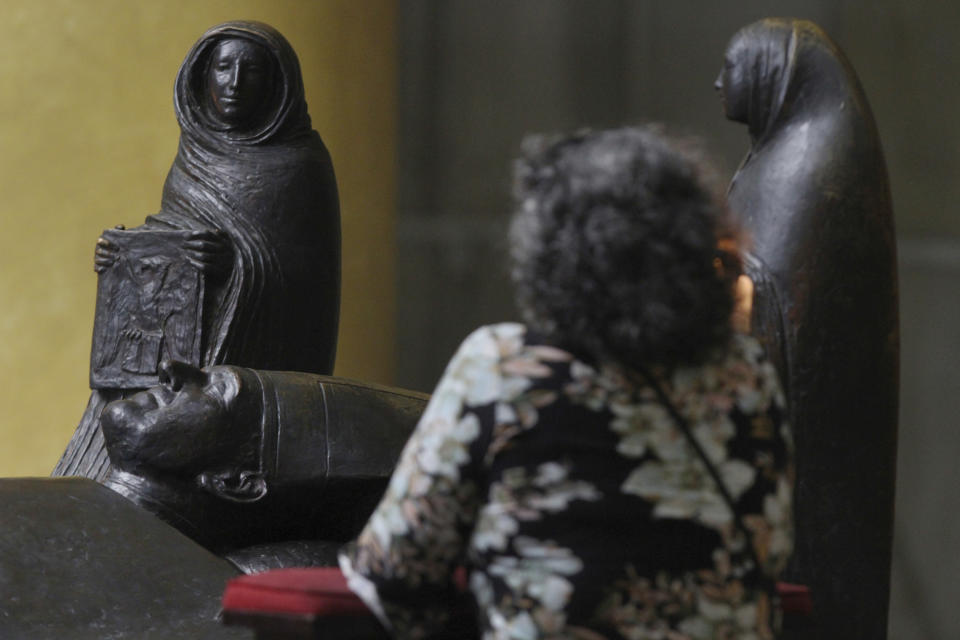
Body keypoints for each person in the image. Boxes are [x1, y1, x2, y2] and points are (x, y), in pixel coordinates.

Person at [339, 126, 793, 639]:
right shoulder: (746, 374)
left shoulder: (507, 367)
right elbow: (770, 548)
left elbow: (396, 571)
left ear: (552, 252)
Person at [55, 21, 340, 481]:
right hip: (173, 348)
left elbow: (309, 286)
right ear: (203, 76)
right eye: (223, 67)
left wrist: (237, 266)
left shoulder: (300, 163)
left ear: (277, 85)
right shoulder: (196, 151)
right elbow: (175, 239)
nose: (234, 83)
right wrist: (121, 260)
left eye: (251, 71)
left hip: (240, 366)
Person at [716, 19, 898, 638]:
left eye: (733, 67)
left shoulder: (809, 166)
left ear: (777, 75)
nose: (721, 82)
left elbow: (779, 304)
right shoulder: (783, 158)